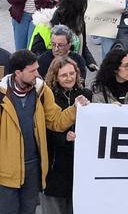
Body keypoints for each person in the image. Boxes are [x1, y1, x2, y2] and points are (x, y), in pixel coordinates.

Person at [0, 50, 87, 214]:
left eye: (37, 69)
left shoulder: (42, 91)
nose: (37, 74)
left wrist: (74, 109)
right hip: (7, 171)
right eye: (32, 70)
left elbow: (56, 122)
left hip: (34, 169)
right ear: (18, 73)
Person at [41, 55, 87, 214]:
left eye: (72, 73)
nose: (69, 78)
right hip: (55, 168)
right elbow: (43, 131)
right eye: (64, 75)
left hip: (79, 168)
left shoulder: (85, 94)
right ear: (55, 77)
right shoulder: (48, 98)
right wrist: (63, 138)